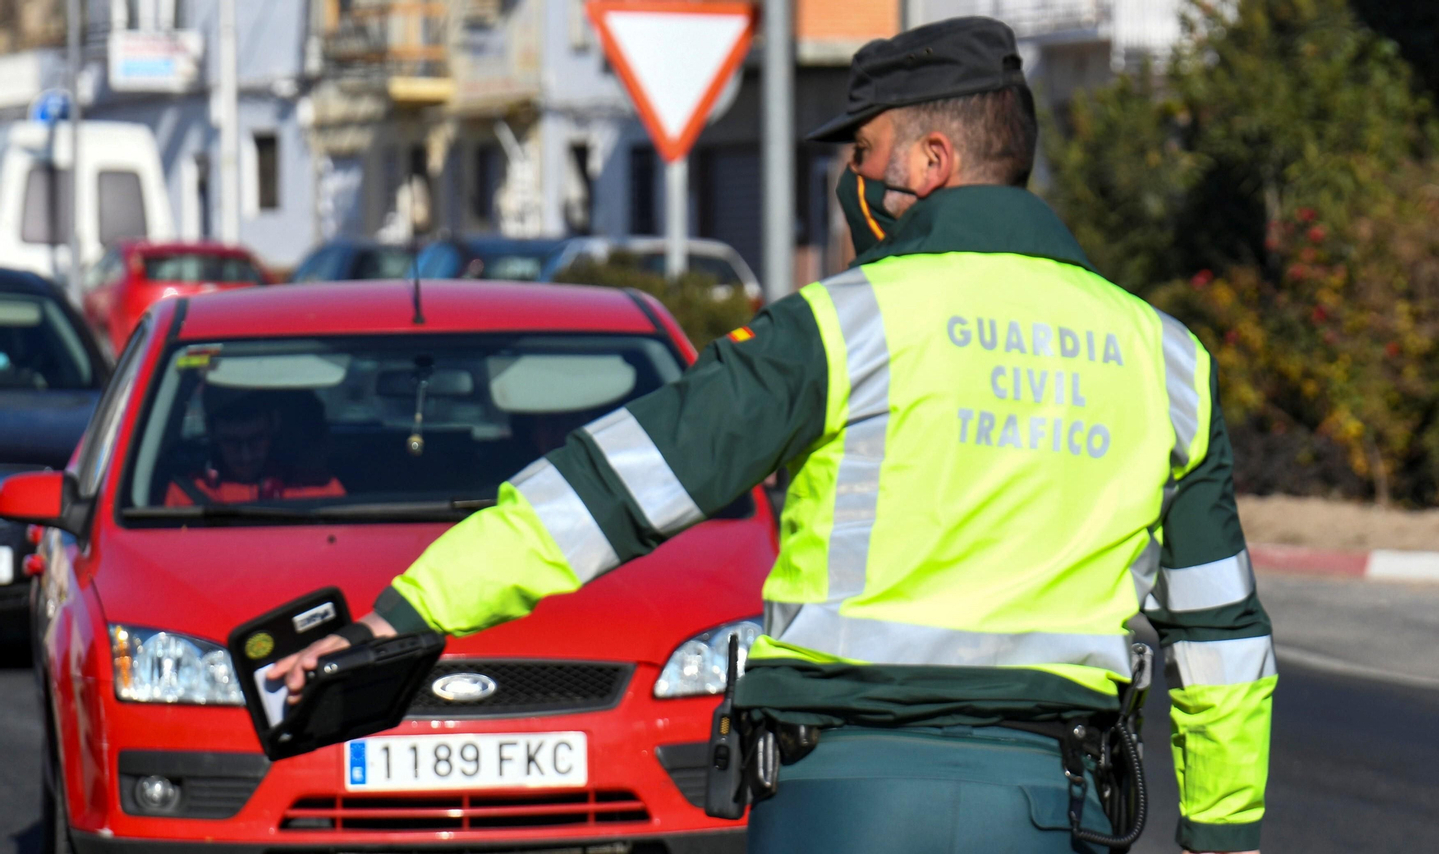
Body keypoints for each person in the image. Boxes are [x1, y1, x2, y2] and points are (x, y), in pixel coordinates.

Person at [270, 16, 1272, 854]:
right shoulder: (1165, 358)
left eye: (864, 153)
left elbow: (607, 493)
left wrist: (406, 610)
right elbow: (1220, 634)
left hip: (846, 795)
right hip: (1055, 804)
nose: (851, 180)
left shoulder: (839, 326)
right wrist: (1221, 836)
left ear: (933, 161)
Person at [165, 388, 345, 505]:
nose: (246, 456)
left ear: (274, 426)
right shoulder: (184, 495)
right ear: (211, 433)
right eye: (231, 442)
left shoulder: (320, 489)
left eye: (256, 439)